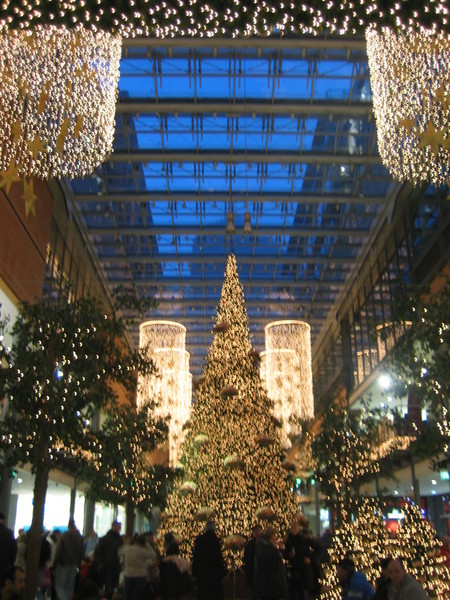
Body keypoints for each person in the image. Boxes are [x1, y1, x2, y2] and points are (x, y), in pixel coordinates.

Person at [191, 521, 226, 600]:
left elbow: (196, 558)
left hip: (202, 575)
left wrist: (194, 573)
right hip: (214, 575)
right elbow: (219, 558)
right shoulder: (216, 540)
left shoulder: (199, 540)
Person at [118, 534, 157, 600]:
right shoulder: (142, 551)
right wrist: (147, 544)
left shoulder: (127, 549)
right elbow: (153, 554)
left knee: (127, 595)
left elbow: (119, 551)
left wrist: (128, 543)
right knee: (136, 595)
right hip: (140, 575)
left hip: (128, 575)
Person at [254, 526, 288, 600]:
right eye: (275, 535)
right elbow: (269, 559)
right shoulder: (264, 546)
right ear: (271, 536)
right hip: (269, 583)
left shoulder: (266, 545)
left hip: (270, 583)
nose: (276, 538)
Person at [92, 520, 123, 599]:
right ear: (114, 526)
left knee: (109, 585)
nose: (119, 528)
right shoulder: (118, 539)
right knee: (111, 585)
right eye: (118, 527)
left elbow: (98, 551)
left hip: (109, 564)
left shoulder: (106, 538)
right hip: (111, 565)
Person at [54, 519, 84, 600]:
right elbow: (82, 551)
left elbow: (59, 551)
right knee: (70, 586)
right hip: (74, 564)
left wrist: (55, 564)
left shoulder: (65, 536)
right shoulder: (79, 537)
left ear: (68, 526)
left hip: (63, 563)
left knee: (60, 586)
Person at [283, 520, 313, 600]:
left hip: (303, 569)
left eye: (295, 528)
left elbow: (312, 550)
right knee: (296, 593)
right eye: (292, 528)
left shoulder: (303, 539)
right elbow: (285, 554)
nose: (294, 530)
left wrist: (309, 558)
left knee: (304, 592)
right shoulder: (289, 540)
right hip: (294, 569)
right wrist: (290, 555)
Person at [243, 524, 262, 600]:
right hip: (253, 573)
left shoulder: (264, 542)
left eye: (258, 530)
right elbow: (246, 558)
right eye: (255, 531)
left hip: (262, 573)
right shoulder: (250, 545)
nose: (257, 532)